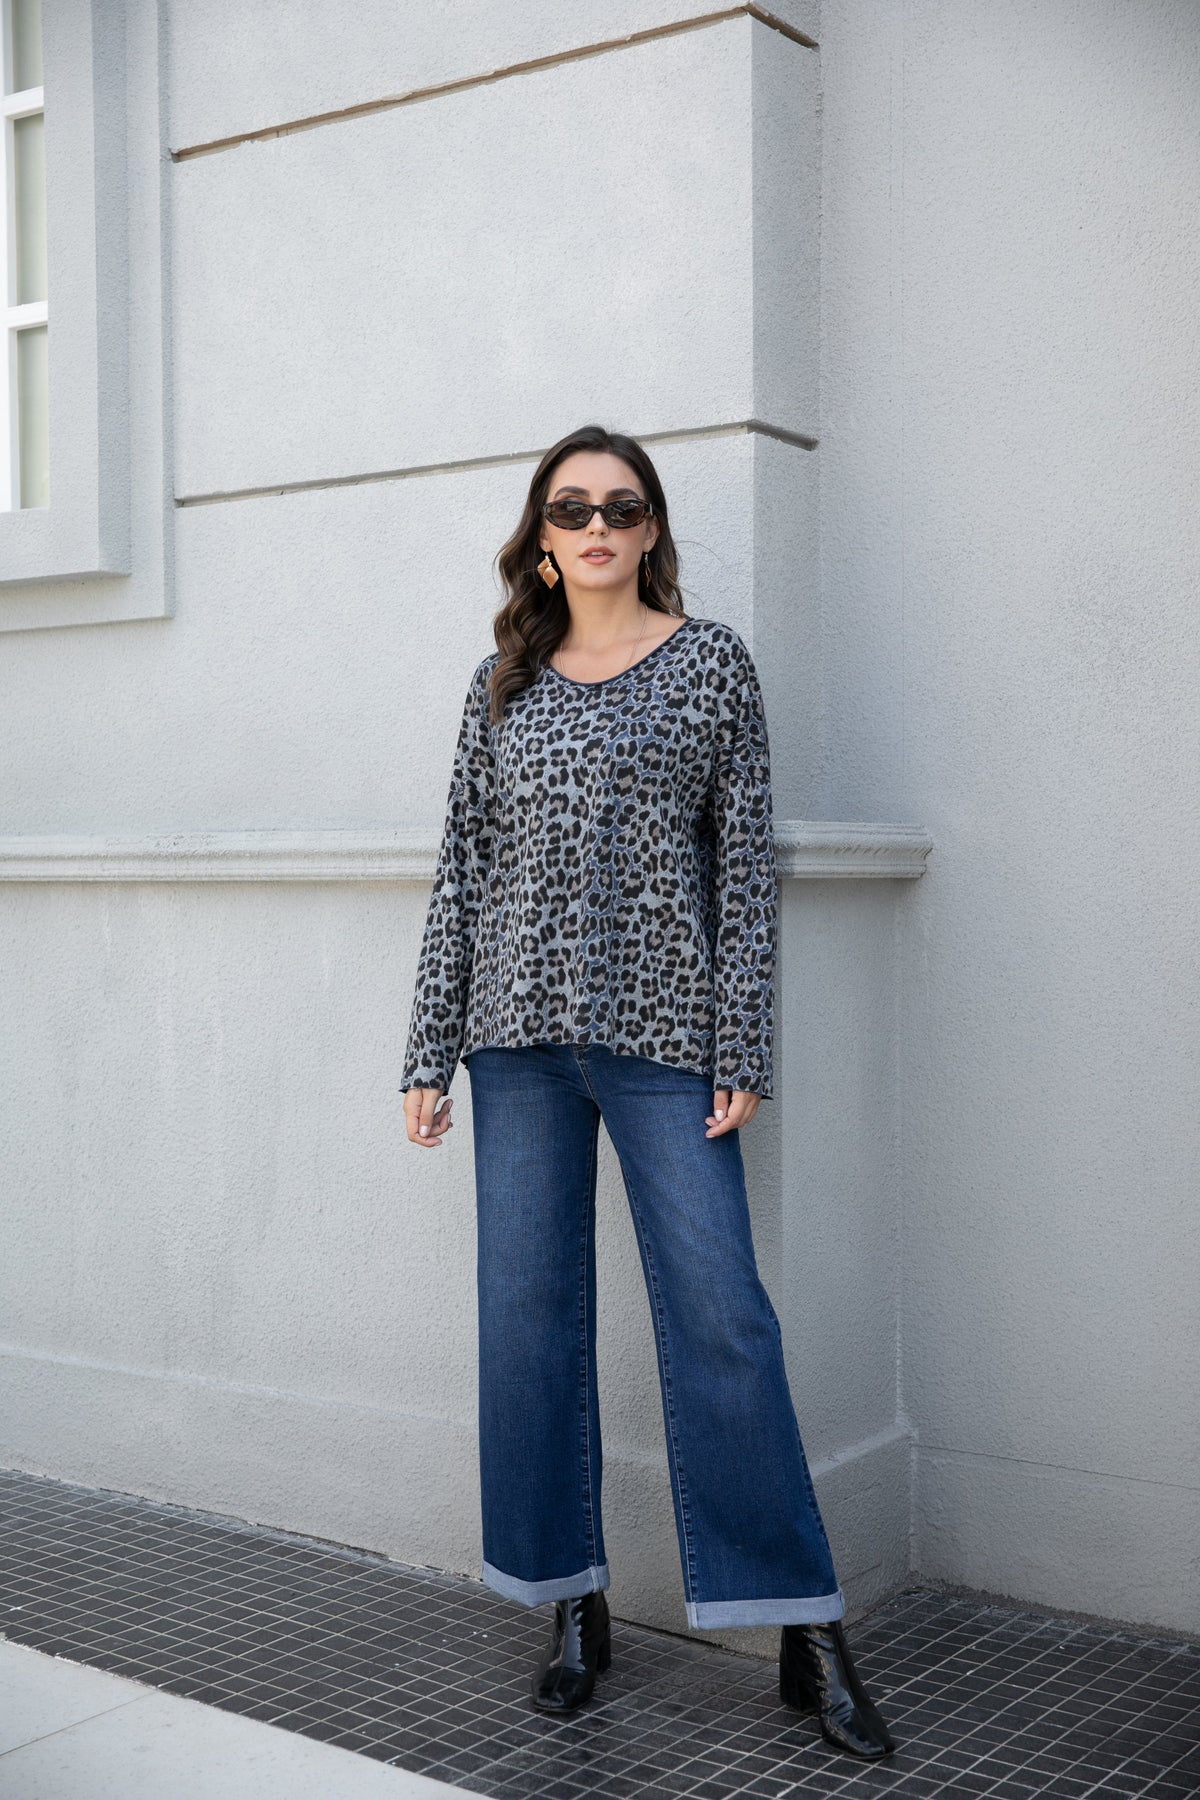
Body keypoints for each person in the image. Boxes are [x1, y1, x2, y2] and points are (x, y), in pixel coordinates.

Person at [399, 423, 896, 1760]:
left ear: (653, 529)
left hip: (666, 1037)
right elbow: (462, 870)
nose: (599, 527)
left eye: (623, 507)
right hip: (514, 1043)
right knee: (528, 1322)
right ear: (542, 542)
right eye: (572, 509)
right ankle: (573, 1604)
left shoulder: (712, 664)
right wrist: (428, 1050)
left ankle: (804, 1628)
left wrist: (745, 1046)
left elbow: (744, 867)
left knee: (724, 1318)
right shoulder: (499, 685)